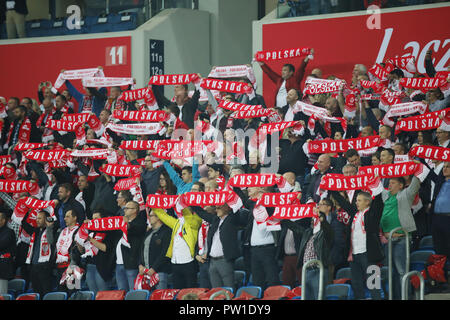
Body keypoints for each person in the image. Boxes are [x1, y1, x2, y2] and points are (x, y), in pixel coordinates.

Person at [330, 184, 384, 300]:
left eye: (359, 200)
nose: (356, 202)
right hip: (354, 255)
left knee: (373, 284)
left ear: (367, 202)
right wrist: (330, 188)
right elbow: (343, 202)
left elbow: (378, 204)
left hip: (370, 255)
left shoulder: (372, 213)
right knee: (356, 284)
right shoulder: (355, 213)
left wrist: (377, 189)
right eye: (356, 200)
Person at [380, 173, 424, 300]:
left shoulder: (406, 194)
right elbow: (376, 186)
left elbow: (415, 184)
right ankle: (395, 297)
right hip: (388, 239)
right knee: (390, 272)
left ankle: (406, 297)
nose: (390, 185)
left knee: (401, 271)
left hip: (401, 239)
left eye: (393, 183)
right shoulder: (386, 195)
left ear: (401, 185)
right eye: (389, 183)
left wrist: (416, 168)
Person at [282, 205, 333, 300]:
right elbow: (294, 227)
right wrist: (281, 216)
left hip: (318, 270)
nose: (313, 221)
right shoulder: (308, 232)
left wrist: (321, 219)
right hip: (307, 270)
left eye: (315, 218)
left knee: (318, 297)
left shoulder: (325, 234)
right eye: (312, 219)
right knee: (307, 297)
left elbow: (327, 229)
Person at [190, 204, 240, 289]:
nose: (216, 210)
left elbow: (236, 208)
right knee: (216, 292)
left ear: (227, 208)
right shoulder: (216, 220)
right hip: (212, 262)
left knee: (229, 290)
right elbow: (202, 213)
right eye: (216, 208)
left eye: (219, 207)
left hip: (225, 261)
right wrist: (190, 202)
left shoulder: (232, 219)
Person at [151, 206, 202, 289]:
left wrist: (182, 205)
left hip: (188, 263)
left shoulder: (195, 221)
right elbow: (164, 217)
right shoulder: (177, 223)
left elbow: (188, 215)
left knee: (190, 292)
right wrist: (154, 206)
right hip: (175, 263)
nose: (179, 209)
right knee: (177, 292)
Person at [21, 209, 57, 298]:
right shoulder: (35, 231)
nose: (37, 220)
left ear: (46, 219)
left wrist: (49, 227)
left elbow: (51, 241)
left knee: (46, 293)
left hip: (44, 267)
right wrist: (27, 212)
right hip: (33, 266)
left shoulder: (52, 229)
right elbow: (24, 224)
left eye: (40, 218)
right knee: (36, 293)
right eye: (37, 218)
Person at [115, 201, 147, 291]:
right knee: (121, 292)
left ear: (135, 210)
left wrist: (127, 224)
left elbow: (135, 229)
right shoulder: (121, 223)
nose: (125, 210)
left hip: (131, 263)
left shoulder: (140, 223)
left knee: (133, 292)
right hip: (119, 263)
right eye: (125, 208)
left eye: (127, 208)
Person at [138, 209, 172, 290]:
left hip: (159, 272)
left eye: (151, 215)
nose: (149, 218)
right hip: (146, 272)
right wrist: (140, 264)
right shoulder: (149, 232)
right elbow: (141, 250)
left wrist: (154, 268)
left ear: (158, 217)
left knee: (159, 296)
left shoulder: (167, 231)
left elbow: (165, 253)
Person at [51, 209, 80, 292]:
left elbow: (77, 251)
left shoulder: (79, 231)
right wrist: (50, 228)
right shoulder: (61, 231)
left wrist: (72, 266)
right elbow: (51, 243)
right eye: (64, 216)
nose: (64, 218)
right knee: (61, 293)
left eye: (67, 216)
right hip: (59, 268)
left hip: (72, 268)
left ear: (75, 218)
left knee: (73, 293)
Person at [0, 211, 16, 294]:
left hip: (3, 269)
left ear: (3, 220)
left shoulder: (9, 232)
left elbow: (2, 244)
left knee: (2, 295)